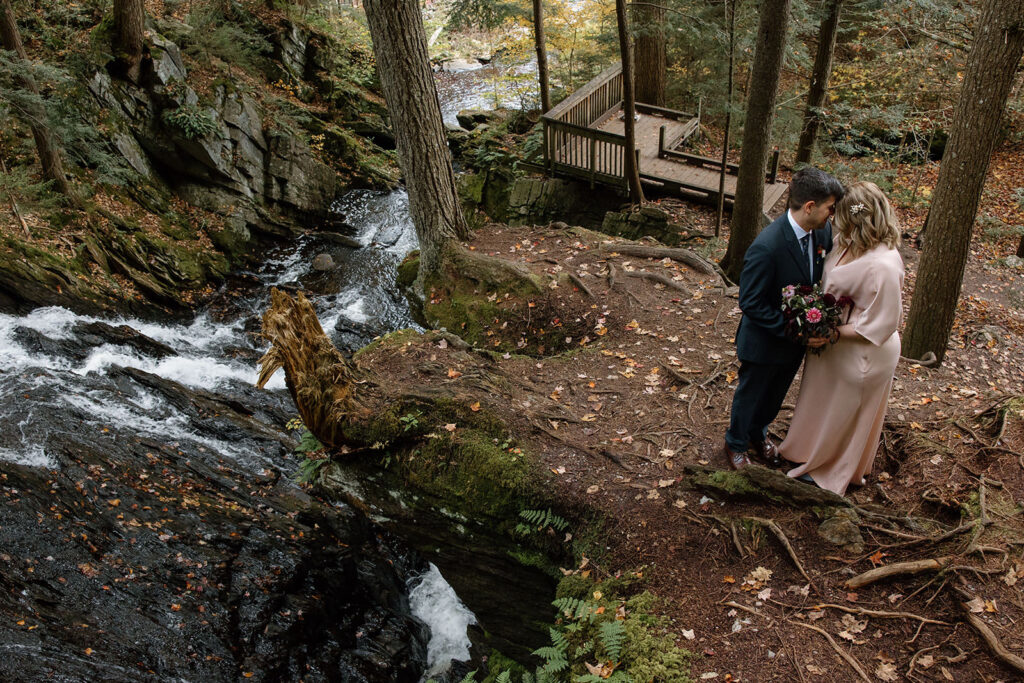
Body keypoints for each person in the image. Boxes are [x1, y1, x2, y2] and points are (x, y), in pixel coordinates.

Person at [779, 182, 905, 495]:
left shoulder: (885, 265)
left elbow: (882, 324)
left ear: (858, 218)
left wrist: (832, 332)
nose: (833, 218)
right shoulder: (845, 240)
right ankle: (807, 450)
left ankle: (831, 469)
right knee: (823, 400)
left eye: (840, 213)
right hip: (833, 343)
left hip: (863, 351)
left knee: (845, 411)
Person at [723, 168, 845, 470]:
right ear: (810, 207)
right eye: (830, 207)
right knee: (751, 394)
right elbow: (749, 301)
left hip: (794, 344)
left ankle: (758, 434)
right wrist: (793, 331)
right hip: (764, 342)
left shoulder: (822, 233)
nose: (833, 214)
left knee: (775, 396)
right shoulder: (767, 246)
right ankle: (735, 443)